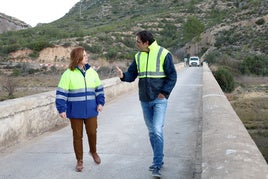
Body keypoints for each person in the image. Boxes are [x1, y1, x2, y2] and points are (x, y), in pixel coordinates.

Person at [115, 30, 177, 177]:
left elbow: (172, 76)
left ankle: (156, 164)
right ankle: (159, 160)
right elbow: (132, 75)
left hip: (159, 100)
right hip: (144, 100)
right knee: (151, 132)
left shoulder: (163, 53)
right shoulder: (138, 56)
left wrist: (164, 93)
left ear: (145, 43)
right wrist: (123, 75)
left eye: (137, 42)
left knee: (157, 130)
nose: (136, 44)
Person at [55, 46, 105, 172]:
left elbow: (99, 89)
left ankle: (93, 152)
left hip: (91, 110)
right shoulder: (68, 74)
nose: (87, 57)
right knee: (77, 136)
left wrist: (100, 102)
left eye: (86, 54)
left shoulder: (92, 72)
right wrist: (61, 109)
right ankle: (79, 160)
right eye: (84, 55)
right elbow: (61, 93)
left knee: (92, 133)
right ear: (77, 58)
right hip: (75, 112)